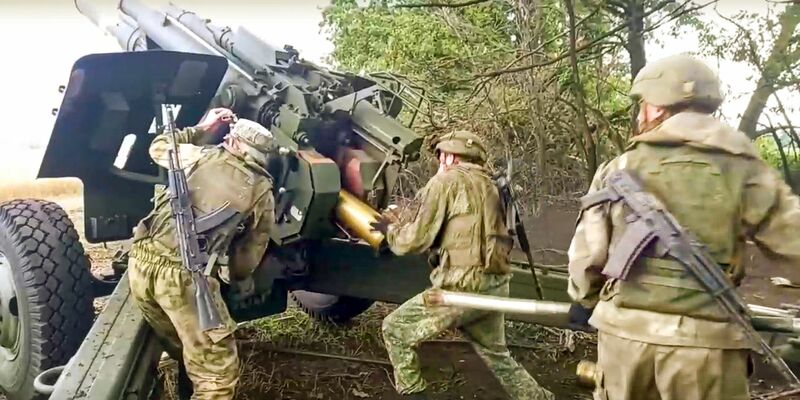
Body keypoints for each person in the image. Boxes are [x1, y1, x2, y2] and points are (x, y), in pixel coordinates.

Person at [567, 53, 800, 400]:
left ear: (658, 108)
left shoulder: (619, 167)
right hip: (705, 346)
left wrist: (582, 300)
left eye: (643, 104)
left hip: (626, 339)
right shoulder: (743, 168)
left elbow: (590, 250)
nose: (640, 112)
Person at [371, 130, 555, 400]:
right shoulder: (493, 184)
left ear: (449, 155)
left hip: (461, 289)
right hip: (495, 285)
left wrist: (391, 231)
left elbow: (415, 240)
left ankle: (414, 394)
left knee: (395, 329)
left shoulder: (447, 182)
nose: (439, 163)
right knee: (497, 354)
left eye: (441, 157)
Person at [127, 107, 276, 399]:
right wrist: (231, 278)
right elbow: (250, 252)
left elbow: (159, 146)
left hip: (140, 266)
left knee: (184, 345)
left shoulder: (199, 155)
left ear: (233, 141)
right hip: (184, 279)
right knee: (218, 374)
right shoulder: (261, 190)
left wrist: (201, 127)